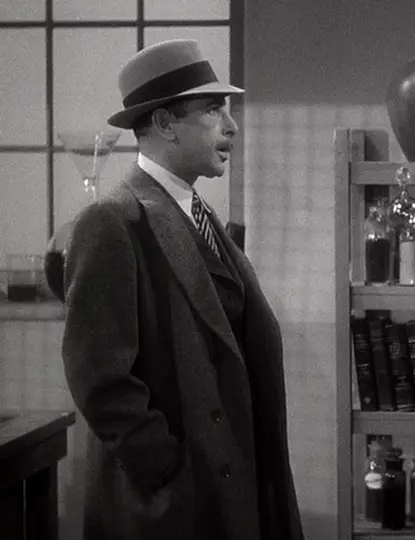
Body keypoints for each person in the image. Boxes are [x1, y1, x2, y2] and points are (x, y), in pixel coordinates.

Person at [56, 39, 305, 540]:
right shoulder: (113, 220)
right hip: (174, 502)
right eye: (213, 109)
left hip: (230, 482)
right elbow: (98, 377)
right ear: (165, 123)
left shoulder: (197, 212)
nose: (231, 126)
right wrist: (164, 466)